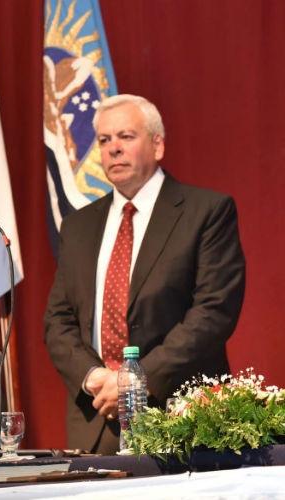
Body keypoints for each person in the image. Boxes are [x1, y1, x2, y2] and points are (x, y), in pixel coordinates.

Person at [44, 94, 246, 455]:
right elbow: (58, 321)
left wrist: (136, 380)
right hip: (98, 419)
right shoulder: (77, 227)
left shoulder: (206, 212)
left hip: (182, 416)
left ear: (158, 145)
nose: (114, 148)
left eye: (126, 136)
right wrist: (95, 378)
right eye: (104, 140)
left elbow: (213, 312)